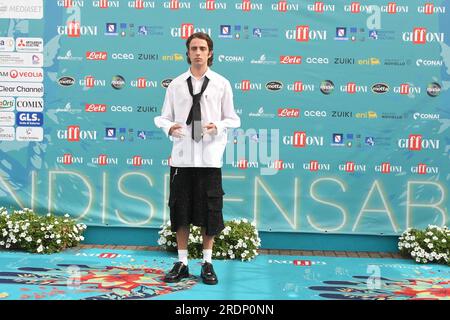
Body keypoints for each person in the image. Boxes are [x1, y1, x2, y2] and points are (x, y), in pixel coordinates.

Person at [154, 32, 240, 285]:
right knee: (180, 210)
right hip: (182, 158)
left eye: (203, 48)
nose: (198, 52)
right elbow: (163, 117)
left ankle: (207, 263)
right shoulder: (176, 84)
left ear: (210, 53)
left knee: (209, 211)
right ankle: (182, 262)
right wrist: (168, 128)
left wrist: (219, 126)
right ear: (188, 52)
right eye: (194, 48)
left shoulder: (222, 83)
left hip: (209, 158)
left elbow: (233, 119)